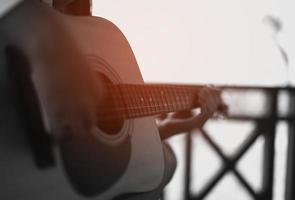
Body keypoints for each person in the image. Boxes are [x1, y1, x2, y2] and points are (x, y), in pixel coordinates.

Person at [0, 1, 227, 200]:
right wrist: (50, 40)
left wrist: (190, 123)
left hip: (37, 173)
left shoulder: (86, 27)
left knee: (162, 164)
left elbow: (131, 143)